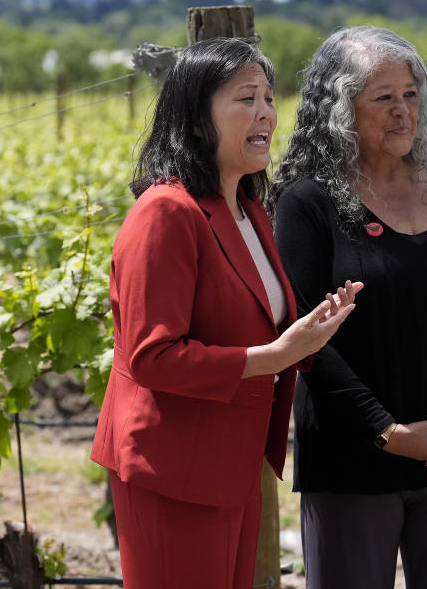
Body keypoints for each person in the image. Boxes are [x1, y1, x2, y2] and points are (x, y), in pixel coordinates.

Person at [91, 37, 361, 589]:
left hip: (230, 466)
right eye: (245, 99)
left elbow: (254, 321)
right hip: (173, 469)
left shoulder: (247, 206)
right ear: (196, 121)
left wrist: (304, 335)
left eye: (268, 96)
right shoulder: (166, 211)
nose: (265, 112)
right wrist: (274, 356)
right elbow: (152, 356)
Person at [269, 26, 427, 589]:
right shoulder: (306, 202)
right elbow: (306, 336)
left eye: (410, 94)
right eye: (383, 98)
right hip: (354, 459)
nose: (402, 111)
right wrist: (386, 431)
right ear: (340, 108)